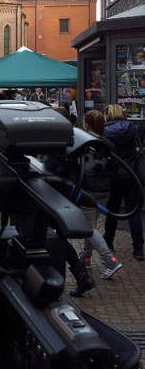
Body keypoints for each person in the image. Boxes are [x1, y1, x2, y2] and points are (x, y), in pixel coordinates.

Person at [78, 110, 122, 279]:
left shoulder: (85, 142)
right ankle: (86, 257)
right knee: (91, 224)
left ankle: (109, 260)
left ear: (87, 124)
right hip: (105, 189)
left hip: (88, 189)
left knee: (88, 227)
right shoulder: (108, 143)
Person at [103, 104, 144, 260]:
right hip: (132, 174)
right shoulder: (133, 128)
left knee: (112, 209)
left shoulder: (106, 131)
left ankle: (108, 241)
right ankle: (138, 248)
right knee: (133, 211)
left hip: (115, 175)